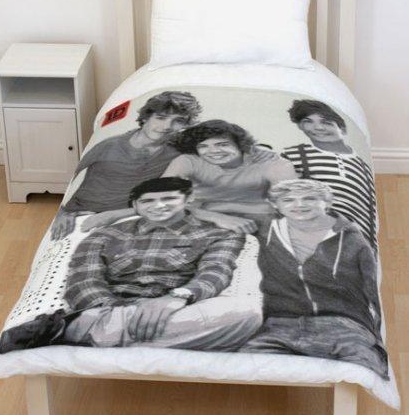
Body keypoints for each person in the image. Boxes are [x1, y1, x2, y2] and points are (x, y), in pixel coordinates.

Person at [0, 177, 261, 353]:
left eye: (169, 199)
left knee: (247, 313)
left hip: (175, 309)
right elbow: (84, 281)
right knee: (93, 313)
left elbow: (215, 273)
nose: (159, 206)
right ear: (135, 205)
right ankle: (116, 333)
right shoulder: (105, 235)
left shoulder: (219, 234)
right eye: (147, 201)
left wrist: (175, 298)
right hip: (109, 308)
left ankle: (78, 333)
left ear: (188, 199)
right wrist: (120, 310)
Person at [241, 179, 388, 379]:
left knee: (364, 367)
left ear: (327, 203)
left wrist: (376, 338)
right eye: (288, 200)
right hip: (280, 325)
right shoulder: (266, 229)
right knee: (246, 364)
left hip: (343, 325)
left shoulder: (352, 239)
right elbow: (201, 208)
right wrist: (220, 218)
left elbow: (374, 290)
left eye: (309, 198)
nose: (299, 205)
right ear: (276, 205)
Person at [83, 119, 296, 231]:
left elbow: (290, 206)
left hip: (258, 219)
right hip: (195, 216)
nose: (214, 151)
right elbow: (159, 198)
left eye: (222, 144)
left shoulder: (273, 164)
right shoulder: (188, 161)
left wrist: (218, 207)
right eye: (204, 146)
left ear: (240, 145)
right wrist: (114, 214)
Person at [50, 91, 202, 239]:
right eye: (160, 118)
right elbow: (71, 180)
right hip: (82, 213)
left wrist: (117, 214)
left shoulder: (179, 151)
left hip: (135, 215)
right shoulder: (108, 146)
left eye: (178, 121)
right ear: (146, 117)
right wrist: (62, 212)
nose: (167, 126)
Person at [281, 99, 377, 251]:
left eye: (326, 122)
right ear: (300, 126)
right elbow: (278, 199)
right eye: (308, 122)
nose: (318, 127)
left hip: (362, 243)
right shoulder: (293, 155)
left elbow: (369, 211)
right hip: (316, 242)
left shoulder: (363, 166)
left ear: (342, 129)